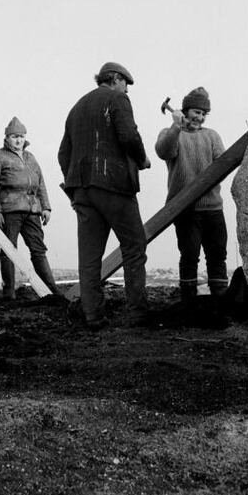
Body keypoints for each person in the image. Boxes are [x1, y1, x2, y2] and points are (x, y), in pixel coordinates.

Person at [58, 62, 151, 330]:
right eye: (126, 84)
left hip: (82, 190)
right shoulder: (117, 99)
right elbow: (128, 136)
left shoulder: (77, 108)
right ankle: (138, 314)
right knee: (134, 247)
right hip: (114, 186)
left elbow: (63, 154)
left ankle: (94, 317)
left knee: (89, 259)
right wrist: (142, 159)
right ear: (117, 80)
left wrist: (75, 184)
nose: (127, 91)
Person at [154, 86, 228, 304]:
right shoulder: (170, 134)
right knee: (189, 256)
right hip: (185, 210)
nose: (200, 117)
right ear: (185, 111)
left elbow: (222, 166)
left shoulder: (212, 136)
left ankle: (220, 304)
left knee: (217, 256)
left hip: (213, 208)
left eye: (204, 114)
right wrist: (176, 126)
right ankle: (189, 304)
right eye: (197, 112)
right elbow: (163, 152)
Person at [0, 116, 59, 299]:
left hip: (32, 210)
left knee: (38, 249)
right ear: (7, 138)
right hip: (9, 211)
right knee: (9, 250)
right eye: (15, 136)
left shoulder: (30, 158)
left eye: (21, 136)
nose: (18, 140)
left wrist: (46, 208)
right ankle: (9, 292)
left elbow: (41, 184)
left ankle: (51, 291)